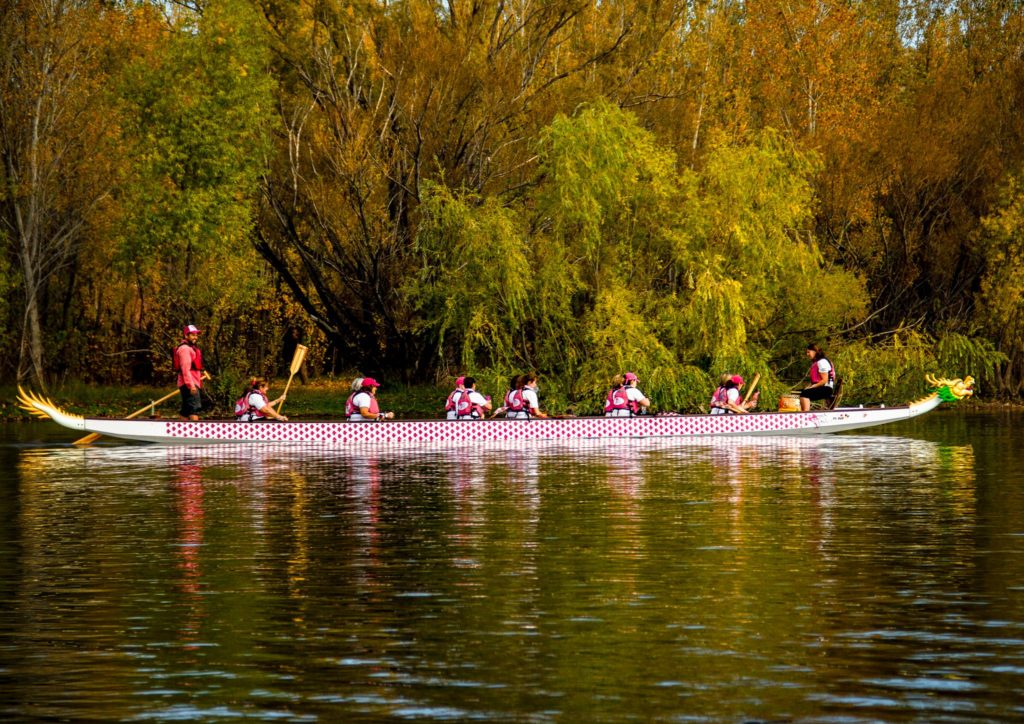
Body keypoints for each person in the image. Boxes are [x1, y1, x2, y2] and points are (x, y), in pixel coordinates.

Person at [174, 324, 204, 421]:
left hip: (192, 382)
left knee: (186, 410)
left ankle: (179, 431)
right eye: (192, 335)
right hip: (189, 384)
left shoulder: (191, 348)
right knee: (194, 408)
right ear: (186, 336)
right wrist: (191, 386)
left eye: (196, 335)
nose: (195, 337)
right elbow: (185, 369)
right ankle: (196, 433)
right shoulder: (185, 349)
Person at [800, 343, 836, 412]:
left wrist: (813, 386)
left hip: (826, 389)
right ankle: (800, 411)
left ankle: (805, 413)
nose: (807, 354)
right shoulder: (818, 362)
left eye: (808, 352)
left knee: (804, 394)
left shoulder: (822, 362)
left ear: (815, 351)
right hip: (822, 387)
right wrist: (810, 386)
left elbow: (824, 380)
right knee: (800, 392)